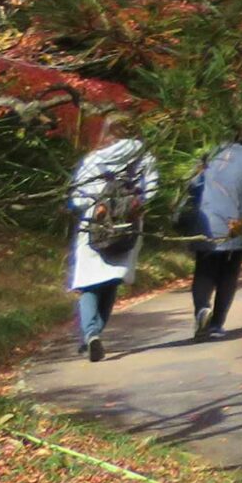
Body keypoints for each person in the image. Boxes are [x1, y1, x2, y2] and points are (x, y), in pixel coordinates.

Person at [69, 111, 159, 361]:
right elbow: (151, 188)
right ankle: (95, 333)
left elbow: (78, 195)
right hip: (128, 224)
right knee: (111, 280)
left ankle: (91, 334)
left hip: (95, 225)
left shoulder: (93, 159)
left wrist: (94, 205)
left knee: (88, 283)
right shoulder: (144, 156)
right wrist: (135, 204)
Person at [184, 128, 242, 341]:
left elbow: (192, 184)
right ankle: (216, 324)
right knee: (228, 273)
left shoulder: (211, 151)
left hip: (206, 222)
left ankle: (202, 309)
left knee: (204, 271)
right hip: (236, 222)